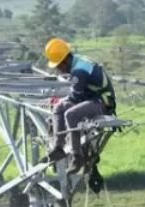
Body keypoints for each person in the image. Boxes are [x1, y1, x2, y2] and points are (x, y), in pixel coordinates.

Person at [43, 37, 116, 171]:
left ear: (64, 62)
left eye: (58, 66)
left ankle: (77, 156)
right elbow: (76, 95)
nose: (59, 70)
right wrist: (62, 102)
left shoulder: (79, 71)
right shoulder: (77, 60)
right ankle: (58, 148)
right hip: (91, 97)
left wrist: (64, 100)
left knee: (71, 114)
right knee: (59, 108)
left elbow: (75, 96)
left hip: (102, 102)